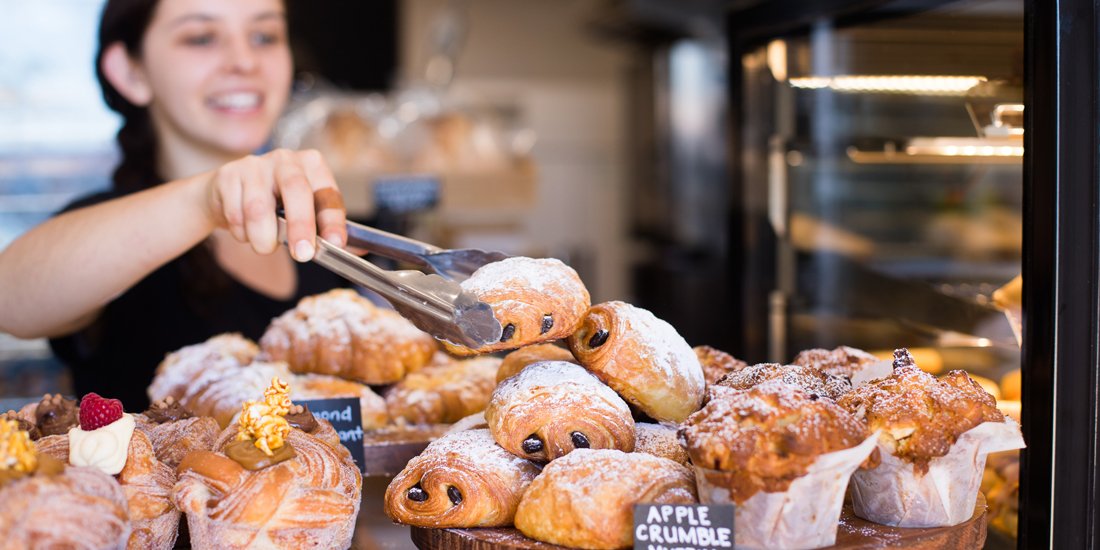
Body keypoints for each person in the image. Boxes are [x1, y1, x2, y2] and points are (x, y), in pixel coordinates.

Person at [0, 0, 351, 409]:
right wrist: (204, 200)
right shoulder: (102, 228)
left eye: (264, 36)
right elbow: (11, 301)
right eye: (201, 38)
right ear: (131, 72)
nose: (245, 61)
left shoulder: (325, 229)